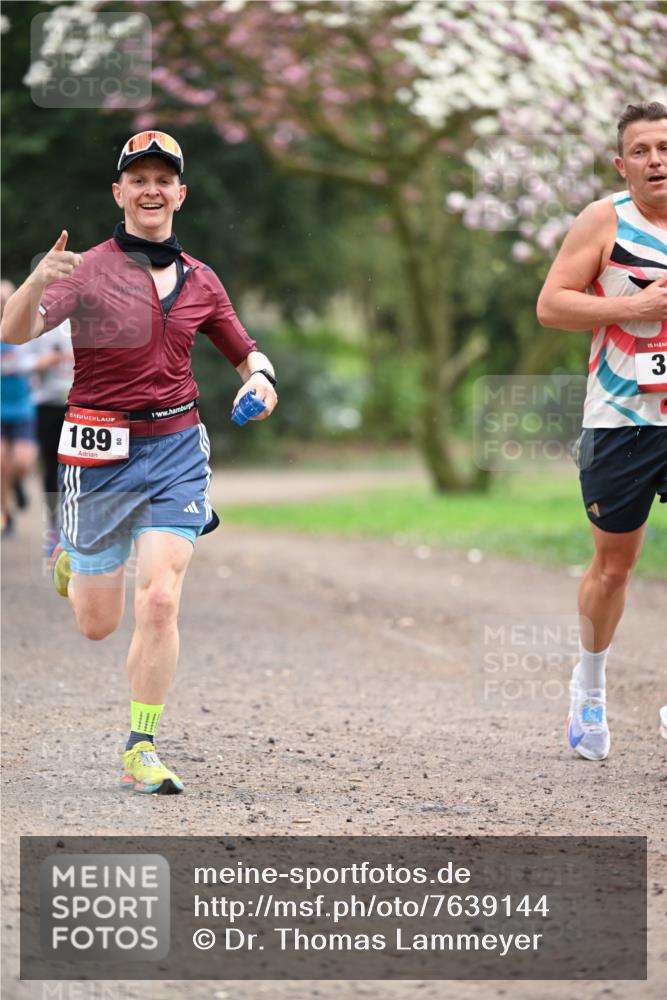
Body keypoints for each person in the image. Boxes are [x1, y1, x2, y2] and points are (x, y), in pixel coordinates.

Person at [0, 131, 278, 793]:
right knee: (98, 624)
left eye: (164, 179)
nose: (151, 189)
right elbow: (13, 332)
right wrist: (40, 275)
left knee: (158, 599)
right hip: (98, 451)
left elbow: (247, 351)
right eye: (139, 178)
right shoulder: (87, 269)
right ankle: (73, 555)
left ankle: (140, 746)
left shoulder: (202, 279)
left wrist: (262, 382)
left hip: (177, 449)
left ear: (179, 193)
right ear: (119, 192)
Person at [537, 102, 667, 761]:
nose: (655, 160)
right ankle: (588, 683)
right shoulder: (604, 220)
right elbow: (551, 304)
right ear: (622, 164)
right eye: (640, 150)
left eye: (664, 147)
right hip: (620, 419)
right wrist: (633, 306)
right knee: (614, 566)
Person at [26, 320, 74, 552]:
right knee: (52, 469)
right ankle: (55, 528)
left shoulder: (93, 320)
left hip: (81, 407)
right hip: (48, 404)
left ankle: (78, 527)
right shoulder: (42, 322)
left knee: (81, 467)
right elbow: (23, 363)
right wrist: (47, 361)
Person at [1, 280, 38, 537]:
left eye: (6, 298)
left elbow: (37, 359)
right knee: (1, 462)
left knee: (21, 463)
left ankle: (19, 484)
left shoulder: (24, 328)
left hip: (23, 406)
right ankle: (6, 514)